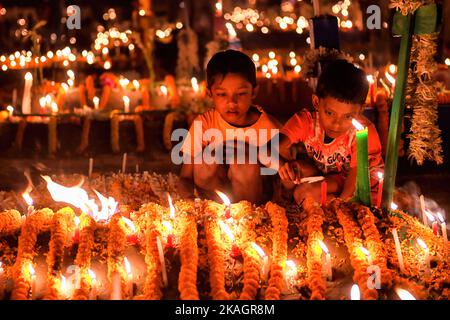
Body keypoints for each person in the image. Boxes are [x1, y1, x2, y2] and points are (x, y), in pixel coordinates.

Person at [177, 50, 281, 204]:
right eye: (222, 94)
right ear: (209, 93)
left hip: (254, 202)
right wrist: (189, 200)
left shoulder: (269, 128)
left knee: (243, 162)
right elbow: (186, 176)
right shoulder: (204, 124)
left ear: (254, 92)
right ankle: (215, 212)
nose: (232, 102)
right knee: (206, 159)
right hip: (215, 202)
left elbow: (282, 181)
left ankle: (246, 216)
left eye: (240, 94)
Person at [277, 59, 384, 205]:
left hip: (361, 187)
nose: (337, 123)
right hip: (331, 178)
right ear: (316, 102)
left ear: (360, 110)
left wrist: (341, 207)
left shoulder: (363, 132)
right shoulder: (306, 121)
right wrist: (282, 166)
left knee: (305, 193)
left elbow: (354, 181)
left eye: (348, 116)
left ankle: (327, 208)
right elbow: (268, 149)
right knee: (293, 172)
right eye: (329, 113)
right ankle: (310, 203)